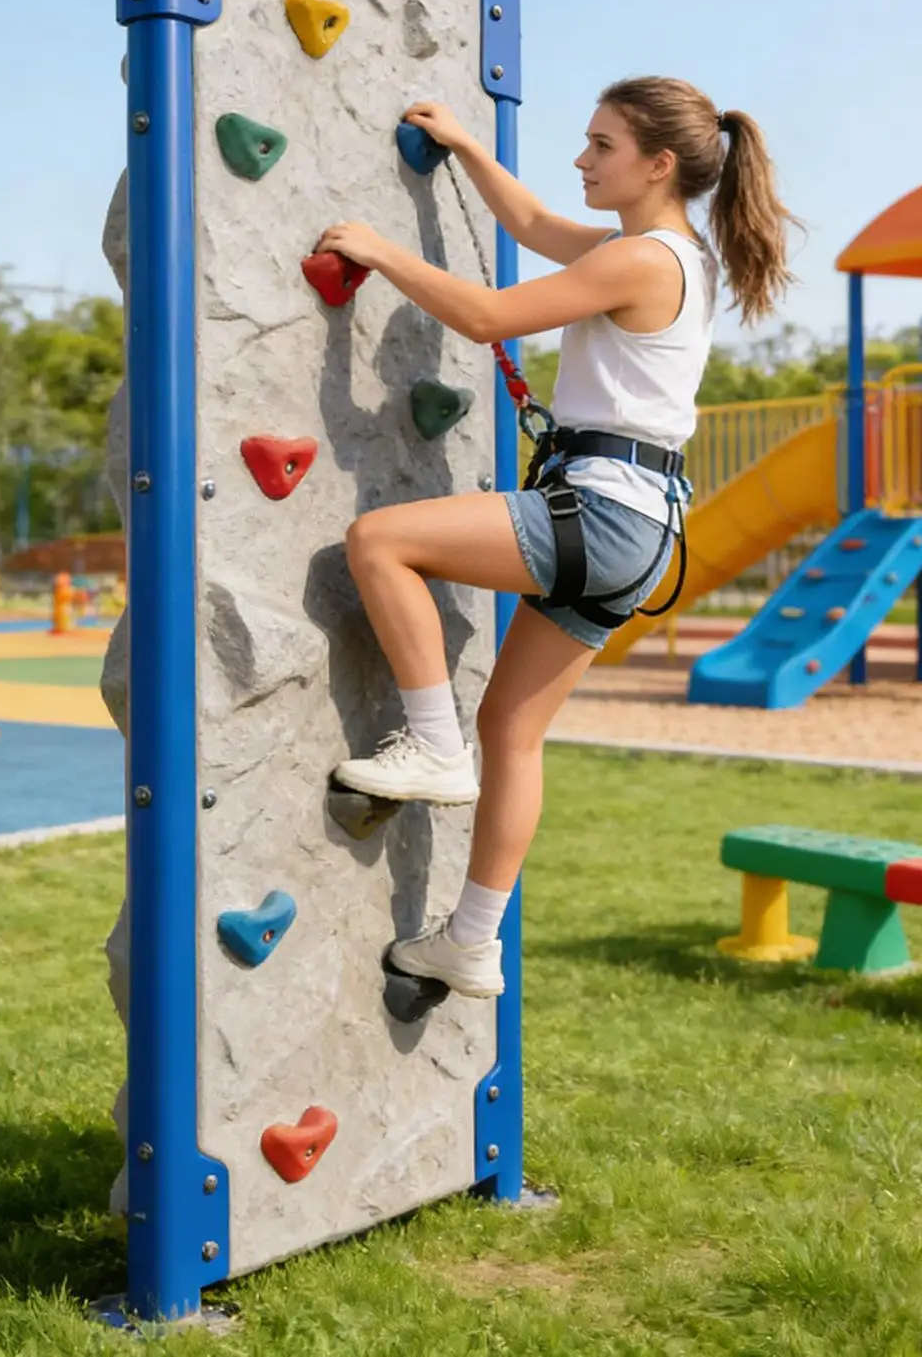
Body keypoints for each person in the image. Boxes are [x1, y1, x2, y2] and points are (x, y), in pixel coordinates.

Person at [315, 75, 795, 999]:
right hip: (642, 528)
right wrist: (463, 143)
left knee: (379, 541)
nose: (581, 158)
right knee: (513, 730)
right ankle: (469, 941)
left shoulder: (643, 261)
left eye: (601, 144)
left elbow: (492, 316)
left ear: (658, 164)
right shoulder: (668, 254)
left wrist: (377, 249)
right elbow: (531, 222)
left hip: (603, 512)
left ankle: (430, 748)